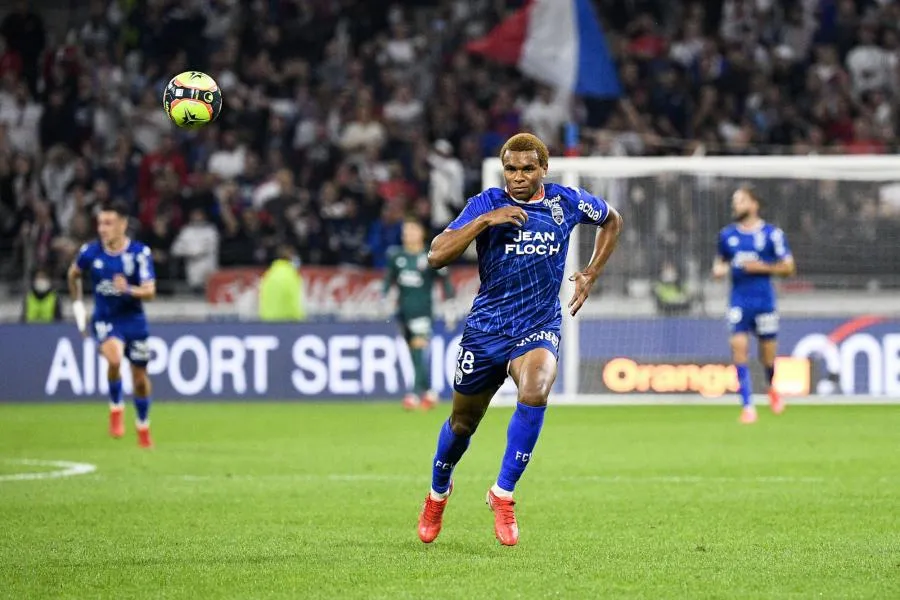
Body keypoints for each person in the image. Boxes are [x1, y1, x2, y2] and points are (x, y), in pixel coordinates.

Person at [417, 133, 623, 546]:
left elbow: (612, 220)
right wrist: (482, 223)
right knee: (462, 423)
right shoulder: (486, 203)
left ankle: (503, 493)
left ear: (543, 169)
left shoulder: (565, 202)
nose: (518, 176)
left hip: (537, 326)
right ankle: (438, 491)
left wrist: (592, 271)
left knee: (536, 388)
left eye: (528, 168)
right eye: (511, 168)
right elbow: (436, 256)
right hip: (486, 330)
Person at [68, 200, 156, 448]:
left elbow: (150, 292)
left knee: (140, 378)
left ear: (123, 224)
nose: (102, 228)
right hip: (106, 319)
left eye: (108, 223)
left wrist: (127, 289)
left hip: (134, 321)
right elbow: (72, 275)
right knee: (115, 359)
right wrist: (77, 306)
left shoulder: (140, 253)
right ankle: (116, 409)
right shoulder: (90, 252)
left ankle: (143, 426)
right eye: (100, 223)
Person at [712, 186, 796, 424]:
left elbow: (789, 267)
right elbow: (720, 262)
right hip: (739, 301)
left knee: (767, 356)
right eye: (734, 201)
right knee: (738, 347)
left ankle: (771, 387)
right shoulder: (727, 235)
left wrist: (762, 267)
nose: (735, 205)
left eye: (740, 201)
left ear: (753, 204)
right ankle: (748, 406)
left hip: (764, 301)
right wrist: (719, 270)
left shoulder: (772, 234)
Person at [383, 218, 454, 411]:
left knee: (417, 348)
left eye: (412, 230)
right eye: (405, 231)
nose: (407, 235)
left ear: (421, 233)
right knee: (413, 351)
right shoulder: (396, 256)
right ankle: (430, 392)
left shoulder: (430, 256)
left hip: (423, 311)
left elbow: (445, 281)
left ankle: (414, 394)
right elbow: (388, 281)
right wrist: (384, 299)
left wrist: (449, 308)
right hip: (403, 313)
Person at [258, 244, 306, 322]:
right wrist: (300, 320)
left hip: (267, 322)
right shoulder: (290, 275)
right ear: (291, 256)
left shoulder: (269, 274)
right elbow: (294, 301)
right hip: (285, 322)